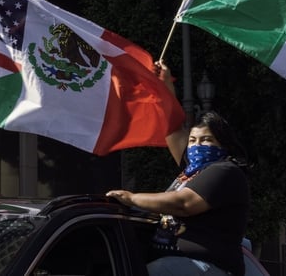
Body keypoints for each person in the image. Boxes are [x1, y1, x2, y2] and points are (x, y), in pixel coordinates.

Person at [106, 62, 250, 276]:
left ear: (224, 144)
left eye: (206, 140)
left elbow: (184, 204)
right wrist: (164, 87)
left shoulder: (225, 171)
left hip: (204, 266)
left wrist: (132, 199)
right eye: (192, 140)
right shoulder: (191, 171)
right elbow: (171, 128)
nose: (197, 146)